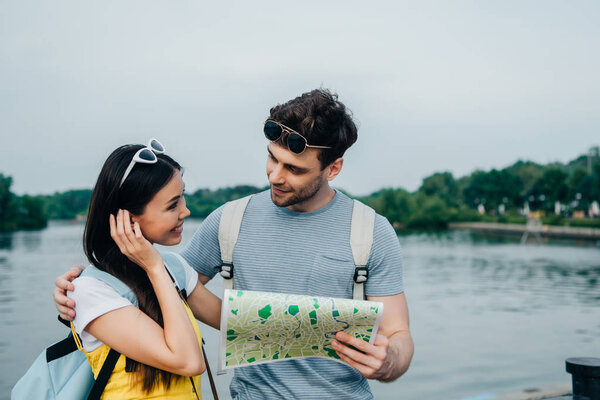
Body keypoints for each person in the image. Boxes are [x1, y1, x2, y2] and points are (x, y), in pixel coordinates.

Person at [55, 89, 414, 399]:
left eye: (294, 169)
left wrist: (388, 361)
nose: (275, 175)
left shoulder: (371, 231)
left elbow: (398, 334)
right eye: (272, 158)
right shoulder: (229, 220)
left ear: (333, 168)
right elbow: (152, 291)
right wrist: (74, 298)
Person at [65, 140, 221, 399]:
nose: (186, 211)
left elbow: (233, 322)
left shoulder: (176, 269)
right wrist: (155, 268)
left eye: (183, 196)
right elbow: (189, 362)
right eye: (172, 205)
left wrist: (311, 316)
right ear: (128, 218)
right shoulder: (90, 291)